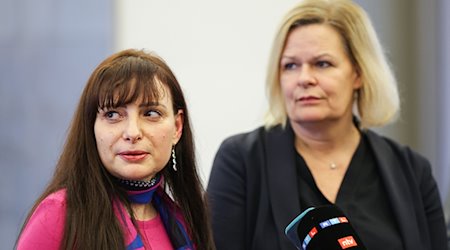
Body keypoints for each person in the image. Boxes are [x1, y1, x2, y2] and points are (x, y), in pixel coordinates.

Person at [206, 0, 448, 249]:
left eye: (322, 64)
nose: (304, 78)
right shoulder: (241, 161)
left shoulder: (412, 171)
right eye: (290, 65)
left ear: (358, 73)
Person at [16, 49, 215, 250]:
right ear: (91, 127)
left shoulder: (186, 224)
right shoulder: (60, 215)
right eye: (112, 115)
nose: (132, 132)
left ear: (177, 127)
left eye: (151, 113)